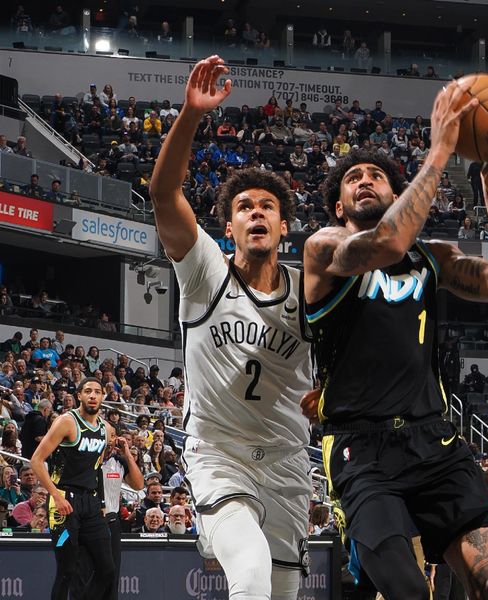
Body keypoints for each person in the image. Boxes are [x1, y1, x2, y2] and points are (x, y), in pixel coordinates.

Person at [302, 80, 488, 599]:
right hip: (361, 448)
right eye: (353, 178)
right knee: (407, 591)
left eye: (377, 176)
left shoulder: (433, 258)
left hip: (434, 439)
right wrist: (441, 150)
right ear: (338, 207)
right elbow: (387, 242)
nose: (365, 181)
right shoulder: (326, 250)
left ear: (396, 192)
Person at [149, 55, 313, 600]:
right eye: (245, 207)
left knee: (283, 591)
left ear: (284, 227)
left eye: (268, 206)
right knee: (250, 573)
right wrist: (192, 115)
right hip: (219, 454)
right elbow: (164, 195)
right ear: (230, 226)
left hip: (289, 460)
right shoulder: (205, 274)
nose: (257, 213)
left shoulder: (311, 291)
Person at [29, 378, 116, 600]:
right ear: (79, 395)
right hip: (63, 501)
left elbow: (96, 467)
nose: (93, 395)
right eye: (88, 391)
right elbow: (37, 460)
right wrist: (56, 496)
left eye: (98, 391)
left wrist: (101, 502)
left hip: (91, 503)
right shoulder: (67, 422)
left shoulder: (106, 429)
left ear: (103, 397)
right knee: (67, 571)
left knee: (107, 570)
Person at [101, 426, 144, 600]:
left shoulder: (119, 462)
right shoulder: (85, 459)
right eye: (106, 436)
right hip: (87, 521)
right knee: (86, 572)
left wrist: (127, 453)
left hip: (111, 522)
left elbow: (139, 485)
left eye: (112, 436)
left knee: (111, 573)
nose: (109, 440)